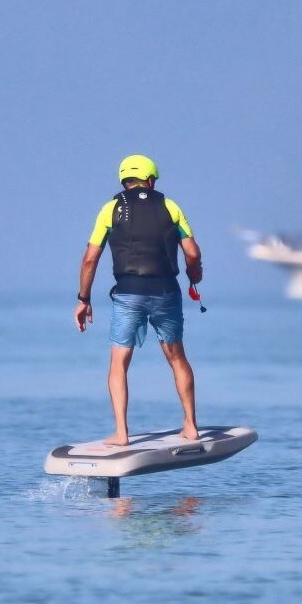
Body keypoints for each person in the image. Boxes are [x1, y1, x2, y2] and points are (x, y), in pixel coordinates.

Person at [74, 155, 203, 446]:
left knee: (119, 362)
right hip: (166, 292)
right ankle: (191, 426)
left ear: (125, 180)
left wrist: (84, 299)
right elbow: (192, 253)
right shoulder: (170, 206)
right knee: (177, 357)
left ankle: (121, 433)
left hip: (128, 294)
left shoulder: (111, 209)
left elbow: (89, 258)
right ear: (151, 179)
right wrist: (195, 276)